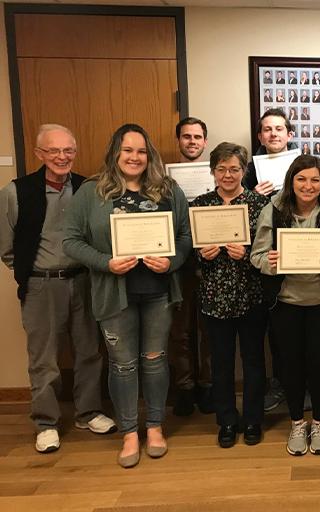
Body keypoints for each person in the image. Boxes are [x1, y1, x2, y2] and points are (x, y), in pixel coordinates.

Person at [63, 123, 192, 468]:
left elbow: (185, 236)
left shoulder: (168, 189)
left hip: (158, 292)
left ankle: (155, 427)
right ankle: (129, 432)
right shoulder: (91, 192)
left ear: (149, 155)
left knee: (155, 360)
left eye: (141, 151)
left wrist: (171, 262)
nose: (135, 157)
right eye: (128, 150)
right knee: (122, 364)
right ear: (115, 153)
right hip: (114, 293)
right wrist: (105, 262)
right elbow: (71, 241)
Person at [0, 124, 116, 454]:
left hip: (84, 281)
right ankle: (46, 423)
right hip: (41, 285)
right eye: (54, 150)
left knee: (89, 352)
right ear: (39, 154)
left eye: (68, 150)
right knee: (44, 359)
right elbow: (6, 247)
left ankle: (88, 413)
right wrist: (32, 273)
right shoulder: (15, 192)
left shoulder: (87, 188)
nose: (62, 157)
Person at [251, 154, 320, 456]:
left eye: (314, 180)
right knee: (290, 365)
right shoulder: (273, 209)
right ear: (291, 181)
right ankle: (297, 422)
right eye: (301, 179)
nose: (308, 186)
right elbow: (256, 256)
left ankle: (319, 422)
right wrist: (270, 263)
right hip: (285, 302)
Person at [191, 143, 270, 448]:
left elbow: (269, 249)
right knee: (221, 363)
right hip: (215, 297)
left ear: (244, 171)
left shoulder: (259, 204)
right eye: (221, 169)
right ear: (213, 171)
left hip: (251, 295)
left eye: (234, 169)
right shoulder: (200, 204)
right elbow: (188, 251)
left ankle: (252, 420)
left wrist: (247, 254)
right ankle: (226, 420)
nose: (227, 175)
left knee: (253, 361)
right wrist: (202, 255)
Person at [170, 117, 214, 416]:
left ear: (205, 142)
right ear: (179, 141)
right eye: (186, 136)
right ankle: (185, 387)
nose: (192, 141)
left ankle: (207, 385)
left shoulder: (217, 175)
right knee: (180, 330)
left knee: (208, 331)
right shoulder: (166, 179)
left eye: (197, 137)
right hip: (179, 263)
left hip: (211, 262)